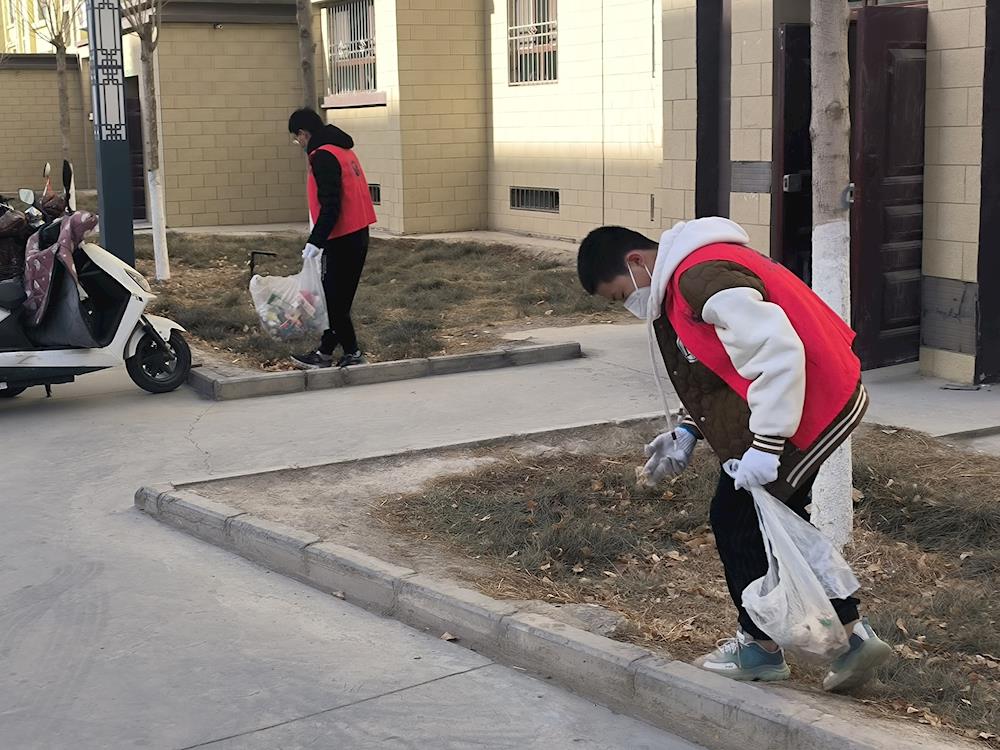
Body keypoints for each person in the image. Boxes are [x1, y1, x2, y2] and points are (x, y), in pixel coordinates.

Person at [576, 218, 892, 692]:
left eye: (621, 296)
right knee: (767, 521)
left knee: (737, 519)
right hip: (795, 404)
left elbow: (777, 353)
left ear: (635, 261)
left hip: (810, 405)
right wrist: (688, 429)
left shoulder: (699, 278)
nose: (629, 307)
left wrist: (766, 448)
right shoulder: (683, 284)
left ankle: (766, 648)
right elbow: (715, 368)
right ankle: (845, 638)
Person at [287, 108, 376, 369]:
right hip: (356, 232)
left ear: (304, 133)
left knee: (334, 301)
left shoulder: (323, 155)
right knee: (334, 298)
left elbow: (331, 204)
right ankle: (325, 353)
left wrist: (315, 241)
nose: (299, 144)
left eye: (297, 138)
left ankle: (354, 353)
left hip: (344, 236)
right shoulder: (342, 149)